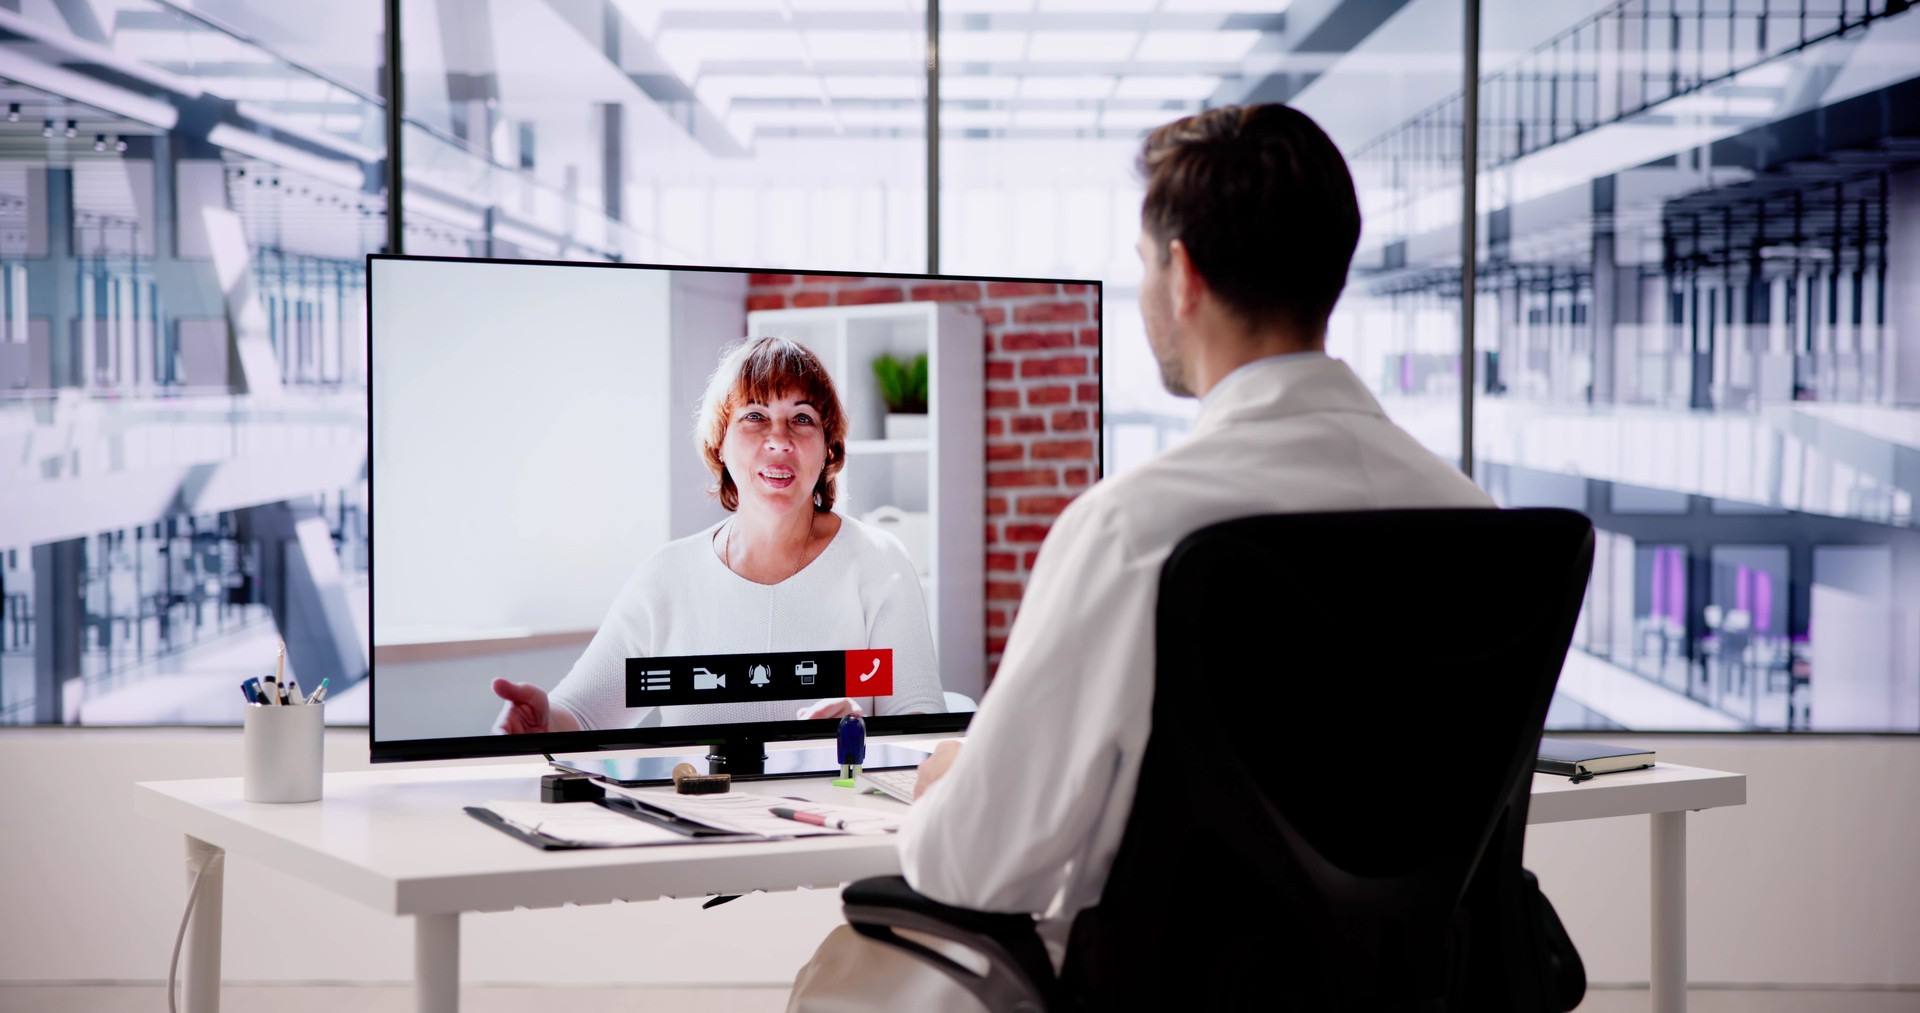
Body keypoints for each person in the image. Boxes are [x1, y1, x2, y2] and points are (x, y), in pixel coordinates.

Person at [788, 104, 1494, 1010]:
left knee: (847, 972)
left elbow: (978, 866)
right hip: (1406, 987)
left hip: (1171, 986)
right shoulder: (1472, 519)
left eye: (1140, 267)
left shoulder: (1136, 528)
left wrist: (945, 783)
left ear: (1182, 273)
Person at [490, 335, 945, 735]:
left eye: (802, 418)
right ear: (720, 444)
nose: (779, 440)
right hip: (699, 826)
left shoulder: (878, 562)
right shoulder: (668, 577)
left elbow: (920, 722)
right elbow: (582, 717)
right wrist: (543, 721)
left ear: (829, 447)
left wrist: (861, 735)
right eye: (754, 416)